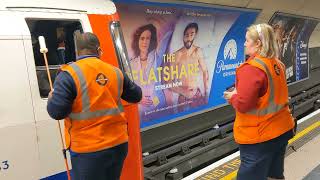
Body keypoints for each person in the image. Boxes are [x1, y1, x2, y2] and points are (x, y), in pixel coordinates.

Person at [47, 32, 142, 180]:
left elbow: (57, 112)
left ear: (77, 52)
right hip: (118, 145)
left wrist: (51, 97)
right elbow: (137, 96)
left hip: (88, 151)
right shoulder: (115, 72)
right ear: (98, 50)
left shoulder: (68, 74)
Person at [223, 23, 295, 180]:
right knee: (274, 175)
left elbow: (244, 104)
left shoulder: (252, 68)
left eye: (247, 40)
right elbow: (268, 95)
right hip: (281, 129)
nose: (244, 44)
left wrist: (232, 96)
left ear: (258, 43)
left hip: (259, 136)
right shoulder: (277, 64)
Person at [130, 24, 166, 121]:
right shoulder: (132, 63)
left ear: (152, 41)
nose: (145, 41)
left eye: (148, 38)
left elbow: (165, 37)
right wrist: (139, 100)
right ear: (137, 41)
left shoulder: (156, 56)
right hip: (141, 110)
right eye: (142, 38)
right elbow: (127, 88)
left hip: (159, 105)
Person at [171, 22, 209, 111]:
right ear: (183, 36)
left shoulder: (198, 51)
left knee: (202, 118)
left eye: (191, 35)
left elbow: (205, 71)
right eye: (186, 35)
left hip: (197, 94)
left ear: (195, 35)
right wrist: (183, 92)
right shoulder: (177, 54)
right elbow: (168, 82)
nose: (189, 38)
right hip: (183, 96)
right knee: (182, 121)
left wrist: (206, 92)